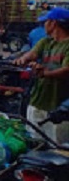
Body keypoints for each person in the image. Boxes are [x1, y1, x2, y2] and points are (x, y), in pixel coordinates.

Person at [13, 7, 69, 143]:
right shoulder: (46, 42)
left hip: (58, 110)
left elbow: (67, 69)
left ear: (53, 23)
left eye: (45, 22)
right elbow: (32, 54)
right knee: (33, 144)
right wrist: (23, 59)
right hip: (37, 102)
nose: (43, 25)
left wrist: (45, 73)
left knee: (57, 149)